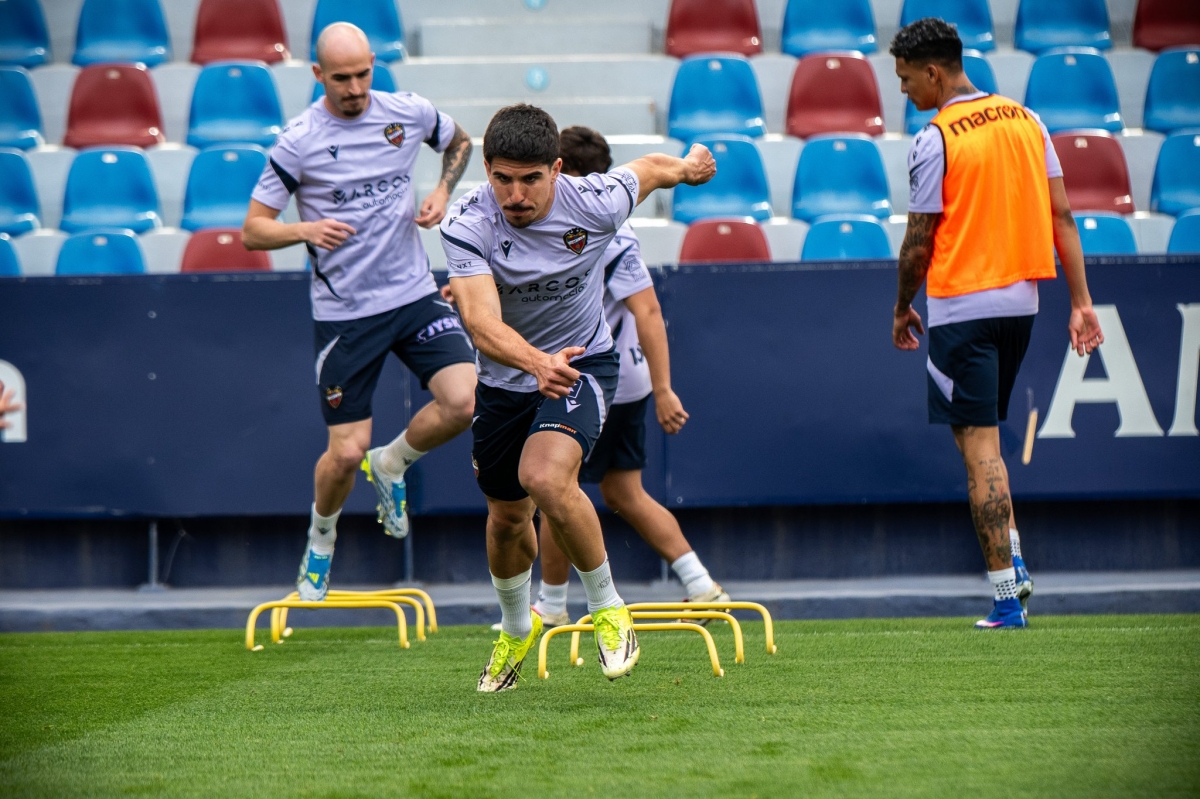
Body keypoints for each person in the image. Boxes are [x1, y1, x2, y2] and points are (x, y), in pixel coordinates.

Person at [441, 104, 716, 691]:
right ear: (486, 170)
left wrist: (690, 167)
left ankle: (609, 610)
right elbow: (481, 322)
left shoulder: (596, 202)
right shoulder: (467, 223)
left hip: (583, 363)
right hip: (506, 380)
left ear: (557, 170)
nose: (515, 195)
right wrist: (536, 362)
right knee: (506, 519)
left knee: (545, 478)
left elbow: (650, 169)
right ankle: (517, 628)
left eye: (530, 179)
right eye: (502, 178)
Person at [243, 22, 477, 601]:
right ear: (318, 75)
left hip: (414, 293)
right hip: (346, 312)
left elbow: (461, 142)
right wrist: (304, 229)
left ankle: (393, 462)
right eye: (341, 78)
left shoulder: (407, 112)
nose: (354, 88)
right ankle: (321, 539)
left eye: (363, 74)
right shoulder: (298, 141)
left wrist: (442, 192)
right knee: (346, 453)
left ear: (374, 63)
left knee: (465, 401)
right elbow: (253, 230)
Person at [888, 18, 1104, 629]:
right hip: (1022, 306)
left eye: (906, 78)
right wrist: (1081, 301)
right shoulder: (1028, 121)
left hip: (963, 306)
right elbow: (1062, 216)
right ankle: (1015, 558)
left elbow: (918, 241)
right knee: (976, 437)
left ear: (934, 74)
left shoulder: (936, 138)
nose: (903, 89)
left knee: (978, 447)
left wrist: (902, 305)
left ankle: (1007, 598)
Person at [528, 126, 729, 628]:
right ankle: (701, 585)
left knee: (555, 488)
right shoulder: (599, 225)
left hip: (599, 382)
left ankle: (551, 606)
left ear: (573, 174)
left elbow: (648, 310)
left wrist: (665, 390)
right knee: (623, 492)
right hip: (623, 381)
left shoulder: (605, 235)